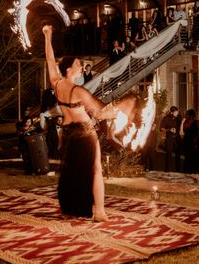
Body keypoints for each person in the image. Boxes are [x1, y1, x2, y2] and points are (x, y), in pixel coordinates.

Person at [43, 25, 133, 222]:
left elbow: (50, 60)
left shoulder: (56, 84)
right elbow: (99, 114)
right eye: (78, 64)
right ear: (69, 69)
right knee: (95, 169)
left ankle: (72, 208)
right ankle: (99, 211)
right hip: (84, 133)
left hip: (67, 132)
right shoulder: (79, 91)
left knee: (71, 170)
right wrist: (112, 112)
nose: (81, 66)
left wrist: (47, 35)